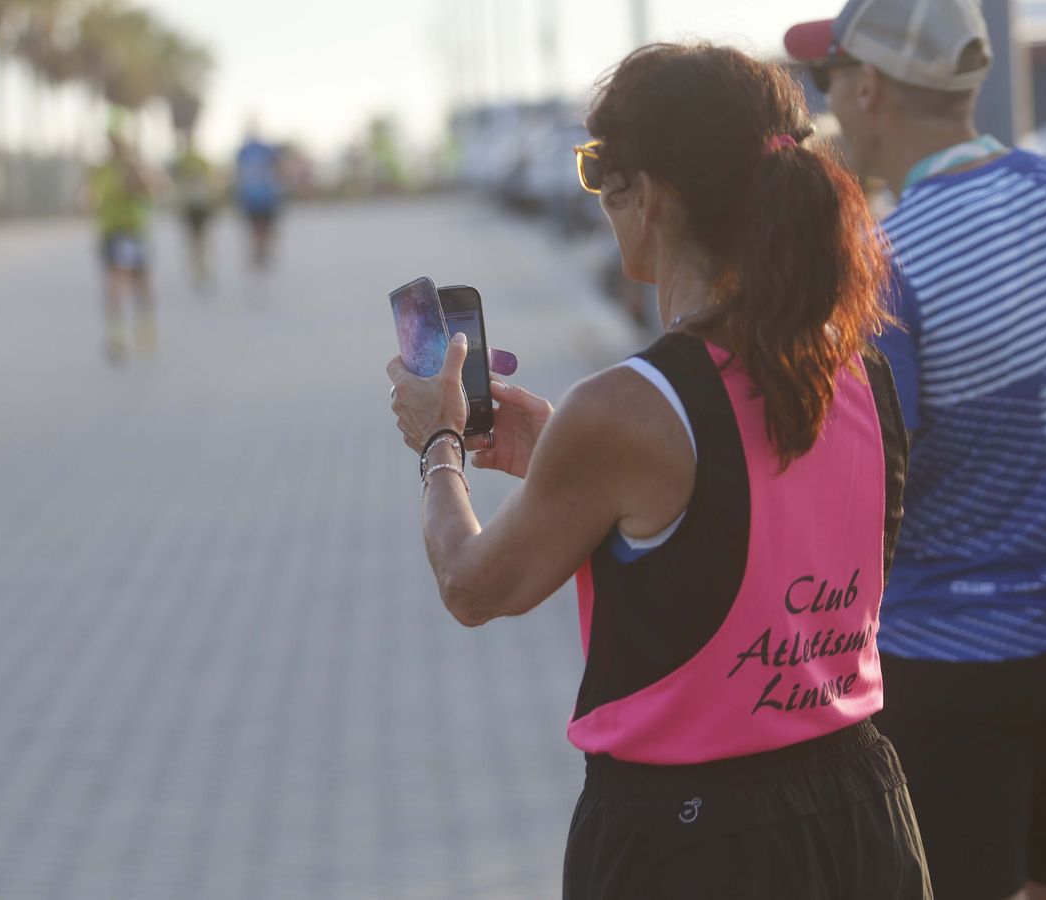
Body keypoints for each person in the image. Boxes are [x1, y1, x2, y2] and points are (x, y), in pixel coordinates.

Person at [387, 42, 926, 898]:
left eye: (598, 168)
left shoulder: (631, 408)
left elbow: (472, 585)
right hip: (862, 810)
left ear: (655, 194)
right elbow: (737, 509)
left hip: (694, 842)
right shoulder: (859, 372)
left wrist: (439, 442)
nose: (598, 197)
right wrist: (568, 453)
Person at [786, 2, 1046, 897]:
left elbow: (865, 480)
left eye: (830, 79)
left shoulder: (887, 262)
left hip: (949, 658)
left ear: (867, 87)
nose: (827, 100)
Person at [86, 131, 162, 363]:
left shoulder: (137, 167)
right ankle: (117, 333)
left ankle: (145, 326)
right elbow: (88, 197)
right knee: (115, 281)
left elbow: (155, 189)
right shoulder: (100, 170)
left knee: (141, 283)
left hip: (134, 231)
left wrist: (137, 176)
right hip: (112, 232)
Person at [233, 125, 285, 279]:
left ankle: (258, 260)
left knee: (256, 233)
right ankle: (261, 259)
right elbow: (279, 171)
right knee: (263, 232)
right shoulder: (266, 150)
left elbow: (238, 176)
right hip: (264, 198)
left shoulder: (244, 152)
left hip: (254, 199)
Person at [172, 136, 219, 292]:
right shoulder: (182, 162)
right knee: (195, 239)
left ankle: (202, 267)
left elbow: (210, 182)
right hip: (191, 206)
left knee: (200, 239)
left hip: (200, 205)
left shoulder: (199, 161)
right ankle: (198, 267)